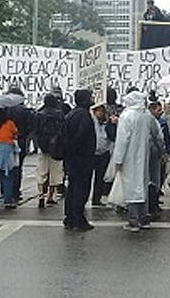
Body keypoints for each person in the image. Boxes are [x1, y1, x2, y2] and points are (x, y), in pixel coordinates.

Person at [113, 91, 160, 232]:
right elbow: (157, 133)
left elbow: (122, 140)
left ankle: (133, 221)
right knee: (143, 185)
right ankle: (144, 218)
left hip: (129, 156)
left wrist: (118, 159)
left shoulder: (126, 116)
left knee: (131, 187)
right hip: (144, 155)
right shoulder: (147, 116)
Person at [62, 89, 97, 231]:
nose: (93, 99)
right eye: (91, 97)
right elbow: (81, 136)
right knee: (81, 189)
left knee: (72, 187)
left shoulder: (72, 114)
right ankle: (78, 218)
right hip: (82, 158)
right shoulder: (83, 115)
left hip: (72, 158)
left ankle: (69, 217)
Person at [33, 92, 65, 208]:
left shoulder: (39, 114)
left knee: (41, 171)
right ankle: (50, 196)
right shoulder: (59, 114)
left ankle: (41, 194)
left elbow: (35, 131)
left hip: (42, 147)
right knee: (55, 172)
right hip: (56, 147)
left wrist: (38, 144)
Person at [91, 99, 115, 207]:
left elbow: (112, 136)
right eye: (98, 111)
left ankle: (97, 198)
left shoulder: (108, 122)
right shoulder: (91, 121)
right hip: (92, 152)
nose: (100, 113)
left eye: (102, 111)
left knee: (100, 177)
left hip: (104, 152)